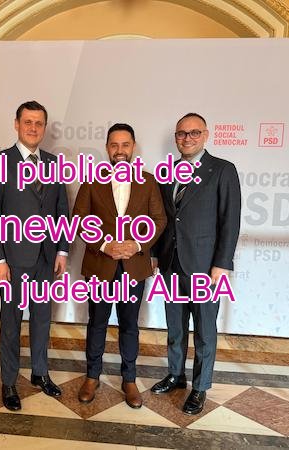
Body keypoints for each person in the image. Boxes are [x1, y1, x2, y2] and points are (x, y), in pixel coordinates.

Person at [151, 113, 241, 415]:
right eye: (181, 133)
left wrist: (222, 263)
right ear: (176, 137)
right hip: (171, 263)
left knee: (204, 329)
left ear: (206, 135)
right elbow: (163, 219)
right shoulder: (167, 171)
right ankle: (176, 374)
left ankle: (200, 387)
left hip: (206, 267)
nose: (187, 138)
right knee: (175, 327)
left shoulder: (223, 170)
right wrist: (155, 254)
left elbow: (230, 221)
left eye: (194, 133)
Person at [0, 101, 69, 411]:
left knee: (42, 319)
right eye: (28, 122)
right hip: (13, 260)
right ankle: (9, 382)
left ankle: (40, 373)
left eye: (38, 123)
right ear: (16, 124)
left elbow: (61, 210)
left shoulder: (54, 163)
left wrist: (62, 250)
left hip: (47, 258)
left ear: (44, 128)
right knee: (11, 322)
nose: (33, 128)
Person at [72, 123, 167, 408]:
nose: (120, 150)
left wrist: (137, 244)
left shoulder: (148, 181)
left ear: (133, 147)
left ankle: (129, 379)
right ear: (107, 148)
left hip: (133, 268)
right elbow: (78, 219)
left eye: (125, 145)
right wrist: (104, 245)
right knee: (97, 323)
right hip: (100, 266)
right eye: (114, 145)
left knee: (129, 325)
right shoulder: (92, 181)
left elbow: (159, 220)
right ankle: (92, 376)